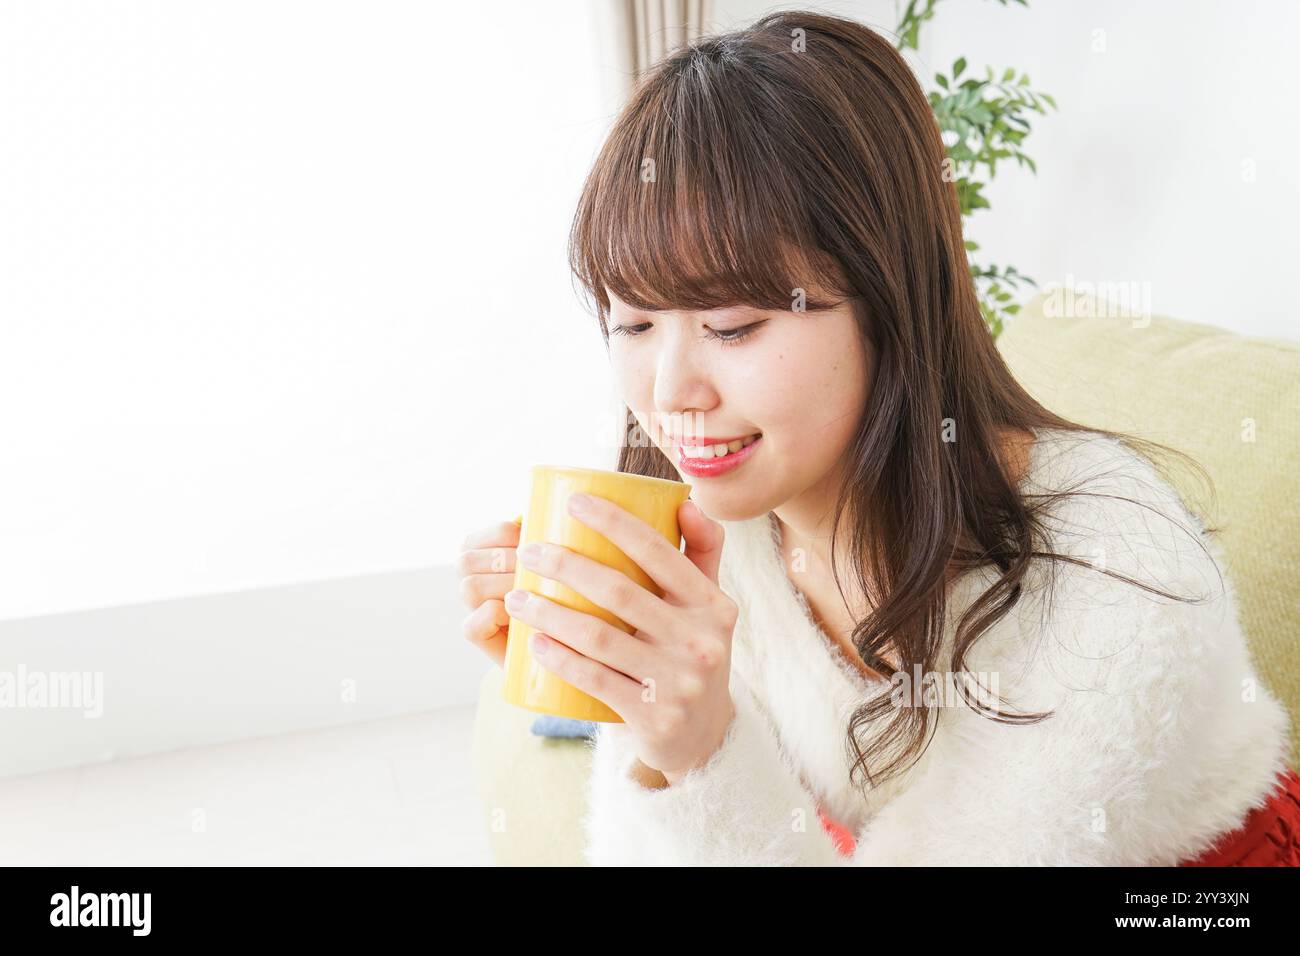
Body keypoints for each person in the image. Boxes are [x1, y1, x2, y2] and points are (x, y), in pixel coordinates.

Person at [457, 10, 1295, 866]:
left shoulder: (1120, 570)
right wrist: (634, 700)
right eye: (633, 326)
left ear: (889, 301)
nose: (670, 396)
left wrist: (706, 756)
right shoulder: (724, 529)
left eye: (735, 326)